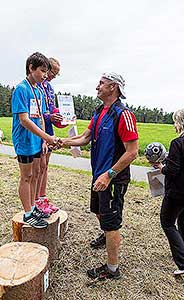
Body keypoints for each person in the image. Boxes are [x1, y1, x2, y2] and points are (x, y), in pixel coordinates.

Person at [62, 72, 138, 280]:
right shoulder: (99, 111)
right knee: (98, 211)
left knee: (111, 221)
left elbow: (132, 152)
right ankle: (106, 236)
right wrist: (62, 141)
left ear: (113, 87)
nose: (97, 87)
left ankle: (112, 269)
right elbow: (85, 137)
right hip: (98, 175)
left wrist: (109, 174)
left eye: (101, 83)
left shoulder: (124, 115)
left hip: (113, 178)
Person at [12, 52, 61, 229]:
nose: (45, 75)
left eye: (47, 71)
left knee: (35, 175)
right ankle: (27, 213)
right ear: (31, 68)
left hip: (37, 140)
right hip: (24, 140)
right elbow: (24, 119)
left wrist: (43, 140)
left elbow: (39, 116)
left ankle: (33, 207)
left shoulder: (39, 90)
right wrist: (47, 136)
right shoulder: (21, 89)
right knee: (26, 177)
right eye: (42, 71)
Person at [151, 109, 184, 275]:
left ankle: (182, 263)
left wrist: (162, 168)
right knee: (183, 223)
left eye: (175, 121)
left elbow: (173, 170)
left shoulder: (177, 143)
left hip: (177, 193)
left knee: (168, 223)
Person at [35, 57, 66, 214]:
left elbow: (52, 108)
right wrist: (49, 117)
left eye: (56, 73)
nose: (54, 75)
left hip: (49, 131)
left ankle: (43, 198)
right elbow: (35, 112)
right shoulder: (36, 85)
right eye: (53, 72)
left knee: (45, 166)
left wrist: (63, 117)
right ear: (46, 68)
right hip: (38, 131)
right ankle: (36, 202)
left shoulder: (50, 88)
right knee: (39, 167)